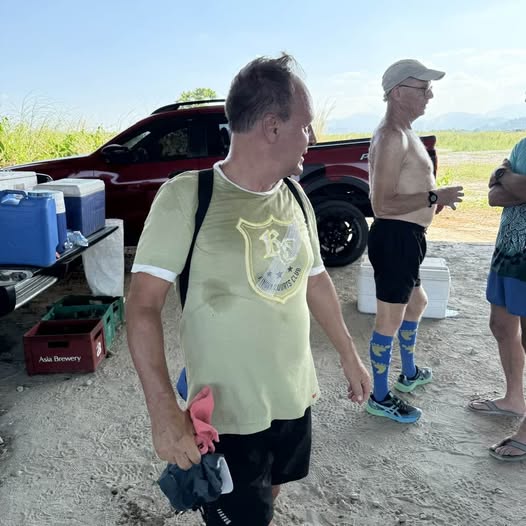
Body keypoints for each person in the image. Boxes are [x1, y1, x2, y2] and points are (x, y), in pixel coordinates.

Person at [126, 53, 371, 525]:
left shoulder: (296, 196)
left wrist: (348, 354)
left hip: (293, 399)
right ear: (273, 127)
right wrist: (163, 411)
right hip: (227, 418)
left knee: (270, 495)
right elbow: (142, 306)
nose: (313, 138)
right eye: (306, 125)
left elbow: (315, 279)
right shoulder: (188, 197)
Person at [365, 59, 464, 423]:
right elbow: (381, 204)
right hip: (395, 238)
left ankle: (407, 373)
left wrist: (429, 201)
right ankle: (379, 396)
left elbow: (406, 191)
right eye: (423, 88)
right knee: (388, 320)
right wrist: (434, 197)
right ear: (397, 93)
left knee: (417, 302)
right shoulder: (392, 135)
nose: (429, 95)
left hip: (408, 237)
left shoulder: (406, 133)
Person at [468, 129, 526, 461]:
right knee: (501, 325)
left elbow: (515, 189)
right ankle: (513, 399)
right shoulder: (522, 146)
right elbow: (493, 196)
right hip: (508, 250)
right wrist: (509, 182)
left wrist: (504, 176)